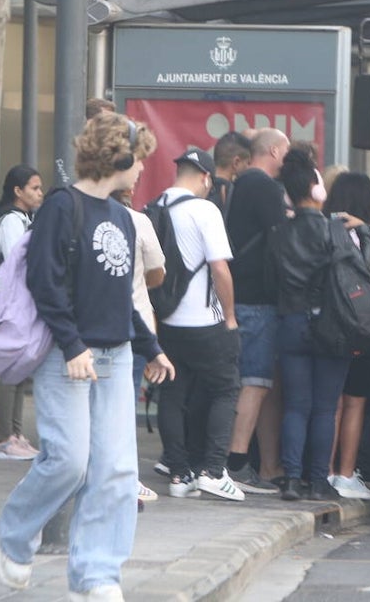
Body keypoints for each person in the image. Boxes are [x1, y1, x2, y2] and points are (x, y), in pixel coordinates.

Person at [0, 112, 175, 601]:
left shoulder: (123, 217)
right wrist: (73, 346)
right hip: (67, 356)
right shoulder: (62, 205)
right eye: (138, 161)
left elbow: (121, 298)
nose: (141, 171)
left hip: (115, 359)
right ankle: (14, 537)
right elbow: (44, 282)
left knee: (116, 472)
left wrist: (151, 347)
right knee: (69, 461)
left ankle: (96, 577)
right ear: (119, 157)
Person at [150, 148, 243, 501]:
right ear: (205, 178)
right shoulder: (205, 209)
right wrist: (230, 318)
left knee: (173, 393)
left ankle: (178, 473)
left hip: (167, 321)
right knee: (225, 388)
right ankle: (213, 471)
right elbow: (220, 269)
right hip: (206, 321)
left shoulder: (154, 206)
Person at [269, 148, 354, 502]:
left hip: (290, 321)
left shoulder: (278, 233)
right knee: (324, 406)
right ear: (317, 189)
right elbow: (351, 278)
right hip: (331, 324)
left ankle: (290, 478)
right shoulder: (336, 230)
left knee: (295, 405)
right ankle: (318, 481)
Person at [324, 173, 370, 500]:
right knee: (355, 403)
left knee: (330, 404)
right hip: (363, 330)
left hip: (327, 328)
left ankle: (322, 471)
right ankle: (346, 474)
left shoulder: (322, 232)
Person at [224, 127, 291, 494]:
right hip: (257, 299)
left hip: (241, 295)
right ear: (276, 151)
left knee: (262, 384)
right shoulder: (264, 187)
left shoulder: (239, 184)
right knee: (254, 381)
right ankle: (237, 462)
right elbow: (279, 237)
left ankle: (267, 466)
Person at [112, 183, 166, 504]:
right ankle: (126, 477)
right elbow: (158, 273)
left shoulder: (87, 219)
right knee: (125, 402)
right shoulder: (139, 221)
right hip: (137, 323)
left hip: (96, 326)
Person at [0, 164, 44, 462]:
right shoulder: (11, 222)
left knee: (20, 369)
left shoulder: (25, 219)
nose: (40, 193)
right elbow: (15, 263)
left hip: (22, 303)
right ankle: (4, 437)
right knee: (10, 369)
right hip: (12, 304)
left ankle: (16, 434)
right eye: (34, 188)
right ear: (17, 191)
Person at [209, 131, 251, 215]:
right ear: (236, 162)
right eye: (248, 163)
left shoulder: (199, 187)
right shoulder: (234, 194)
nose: (249, 168)